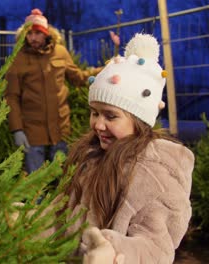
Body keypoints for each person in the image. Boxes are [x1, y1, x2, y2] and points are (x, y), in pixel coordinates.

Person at [38, 33, 194, 263]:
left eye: (111, 116)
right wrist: (28, 222)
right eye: (95, 113)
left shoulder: (155, 174)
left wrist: (111, 251)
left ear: (139, 120)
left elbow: (155, 248)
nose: (98, 125)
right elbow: (60, 219)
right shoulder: (88, 158)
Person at [4, 8, 102, 175]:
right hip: (32, 132)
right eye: (29, 34)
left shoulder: (60, 52)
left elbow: (78, 78)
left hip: (60, 128)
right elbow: (11, 96)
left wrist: (102, 71)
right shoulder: (17, 59)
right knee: (35, 182)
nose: (33, 38)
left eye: (37, 33)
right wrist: (17, 129)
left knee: (62, 177)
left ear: (46, 33)